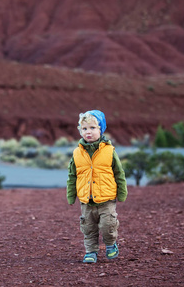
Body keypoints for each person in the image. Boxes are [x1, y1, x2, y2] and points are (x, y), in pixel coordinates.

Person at [67, 110, 128, 263]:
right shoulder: (76, 153)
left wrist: (122, 192)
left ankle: (110, 245)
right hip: (86, 200)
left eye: (93, 128)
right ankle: (90, 252)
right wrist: (71, 194)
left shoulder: (109, 150)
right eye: (85, 129)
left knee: (108, 225)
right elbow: (72, 176)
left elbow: (119, 172)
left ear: (101, 129)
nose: (88, 132)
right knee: (88, 228)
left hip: (106, 198)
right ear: (80, 131)